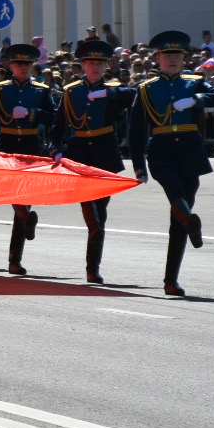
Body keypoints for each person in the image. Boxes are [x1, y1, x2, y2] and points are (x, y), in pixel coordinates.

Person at [129, 30, 214, 296]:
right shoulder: (146, 89)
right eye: (168, 55)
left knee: (178, 218)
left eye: (177, 55)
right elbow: (137, 130)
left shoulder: (195, 82)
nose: (173, 60)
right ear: (158, 58)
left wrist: (198, 99)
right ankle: (191, 220)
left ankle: (170, 280)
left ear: (184, 58)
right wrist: (139, 165)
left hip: (189, 148)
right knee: (175, 193)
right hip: (161, 149)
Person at [51, 38, 136, 283]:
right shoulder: (71, 91)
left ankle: (93, 267)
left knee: (101, 211)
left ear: (106, 65)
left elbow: (136, 94)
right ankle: (92, 267)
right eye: (90, 62)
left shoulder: (114, 90)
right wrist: (55, 149)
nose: (95, 67)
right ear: (82, 65)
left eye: (99, 63)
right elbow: (58, 127)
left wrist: (109, 92)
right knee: (92, 213)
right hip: (79, 154)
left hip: (104, 153)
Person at [0, 43, 58, 275]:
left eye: (27, 64)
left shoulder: (41, 91)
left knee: (24, 197)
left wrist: (32, 114)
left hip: (30, 144)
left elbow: (54, 118)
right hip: (6, 145)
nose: (23, 68)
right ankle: (25, 219)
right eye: (18, 64)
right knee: (15, 193)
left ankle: (15, 259)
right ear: (10, 65)